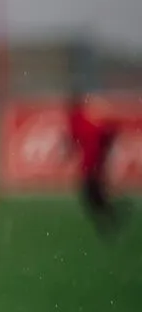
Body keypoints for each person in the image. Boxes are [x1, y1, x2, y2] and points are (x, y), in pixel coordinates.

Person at [66, 93, 127, 237]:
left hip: (91, 167)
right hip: (94, 166)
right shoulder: (85, 123)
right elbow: (103, 133)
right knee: (95, 196)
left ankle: (110, 217)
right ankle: (111, 216)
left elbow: (78, 139)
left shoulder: (78, 122)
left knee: (92, 196)